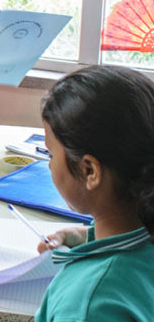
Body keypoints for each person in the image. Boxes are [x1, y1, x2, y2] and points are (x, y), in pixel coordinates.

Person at [33, 65, 154, 321]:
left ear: (90, 171)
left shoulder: (89, 304)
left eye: (52, 154)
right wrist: (89, 236)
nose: (50, 164)